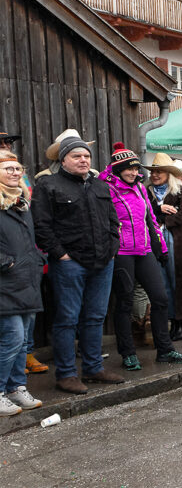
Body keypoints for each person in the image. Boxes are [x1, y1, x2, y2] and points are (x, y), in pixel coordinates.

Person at [32, 134, 124, 393]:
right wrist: (60, 254)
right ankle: (66, 374)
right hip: (70, 263)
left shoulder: (100, 186)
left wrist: (113, 247)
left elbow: (113, 221)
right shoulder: (48, 185)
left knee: (95, 317)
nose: (83, 160)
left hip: (103, 261)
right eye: (77, 156)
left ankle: (94, 368)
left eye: (86, 156)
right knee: (67, 320)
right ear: (63, 160)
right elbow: (41, 225)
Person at [101, 144, 182, 370]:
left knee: (160, 299)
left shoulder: (141, 188)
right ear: (118, 170)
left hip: (144, 251)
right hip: (122, 253)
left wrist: (160, 247)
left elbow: (150, 219)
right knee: (124, 303)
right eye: (128, 169)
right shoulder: (107, 189)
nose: (133, 172)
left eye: (135, 169)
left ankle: (165, 349)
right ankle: (128, 353)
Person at [0, 149, 45, 415]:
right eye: (8, 169)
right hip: (5, 282)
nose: (16, 173)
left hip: (27, 280)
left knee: (23, 341)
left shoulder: (21, 203)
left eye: (18, 169)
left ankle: (16, 387)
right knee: (12, 338)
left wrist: (38, 259)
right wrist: (5, 262)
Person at [145, 154, 182, 340]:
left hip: (176, 240)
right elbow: (145, 215)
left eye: (159, 171)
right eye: (153, 172)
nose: (155, 175)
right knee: (162, 282)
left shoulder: (179, 191)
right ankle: (167, 321)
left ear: (168, 173)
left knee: (178, 280)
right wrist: (159, 211)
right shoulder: (146, 192)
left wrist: (163, 221)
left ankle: (180, 323)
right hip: (155, 240)